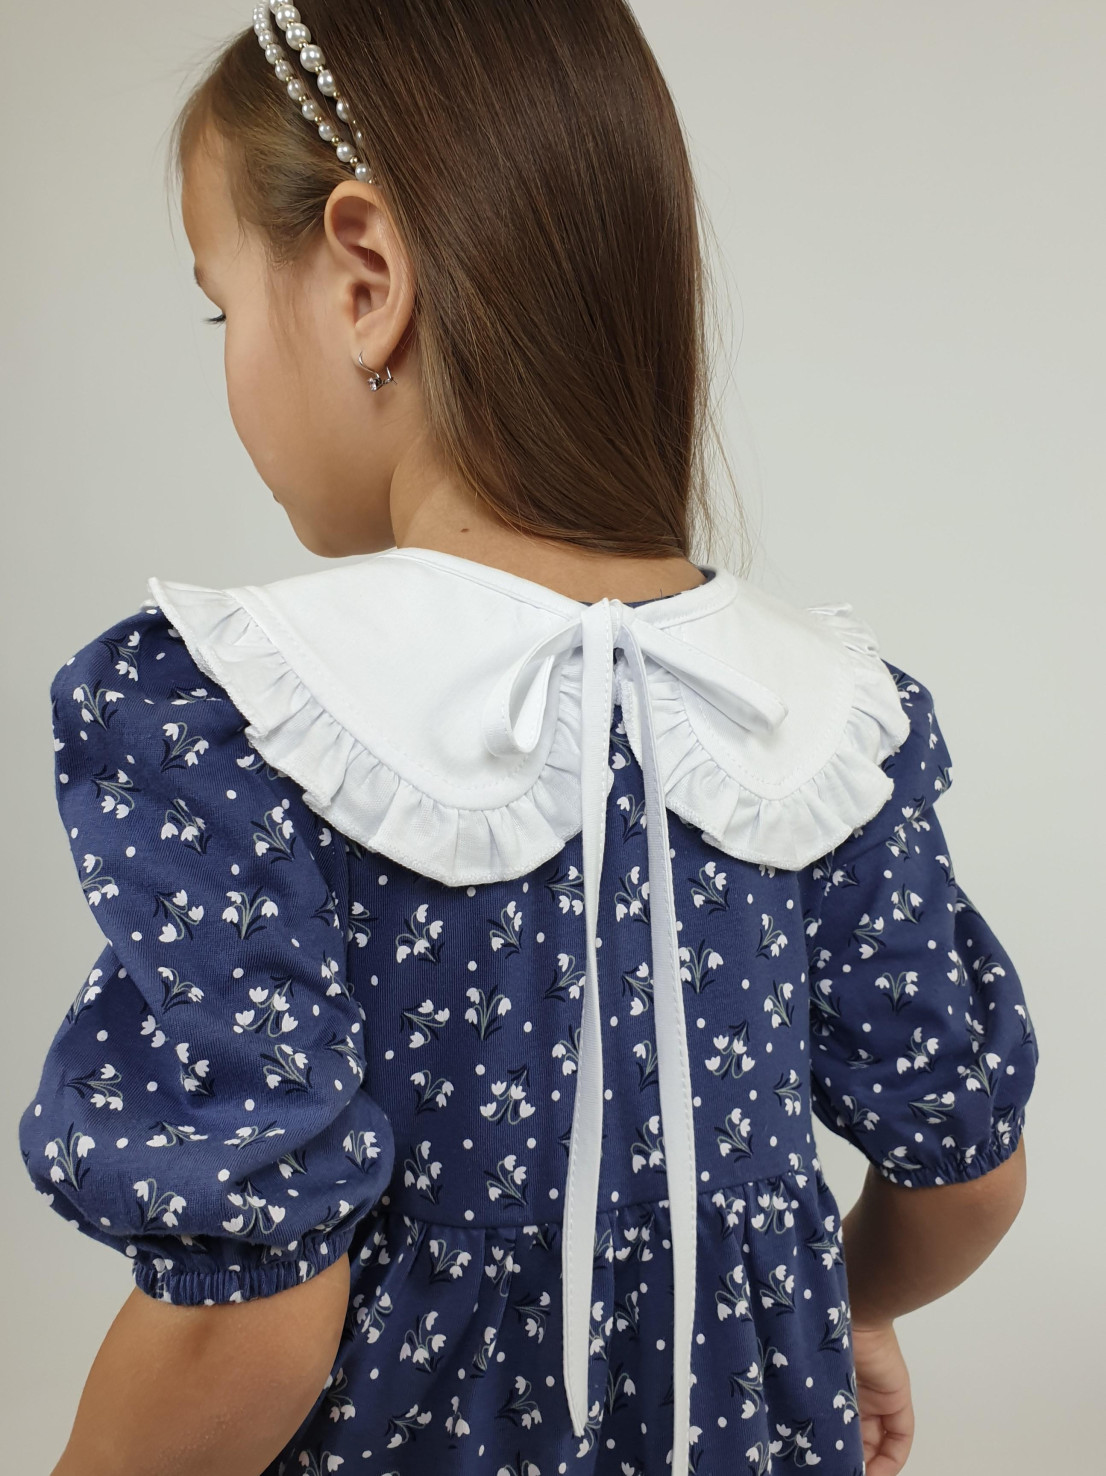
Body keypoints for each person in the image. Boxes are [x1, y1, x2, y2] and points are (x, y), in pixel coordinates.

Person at [17, 4, 1038, 1474]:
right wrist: (822, 1303)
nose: (227, 349)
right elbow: (965, 1182)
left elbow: (249, 1329)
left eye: (222, 308)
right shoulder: (819, 717)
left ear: (365, 278)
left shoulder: (246, 714)